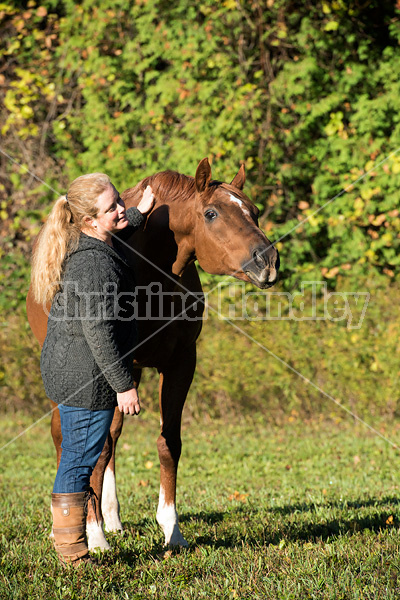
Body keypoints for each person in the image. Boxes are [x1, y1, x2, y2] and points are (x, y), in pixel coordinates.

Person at [30, 172, 154, 566]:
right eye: (113, 207)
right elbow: (98, 332)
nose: (120, 209)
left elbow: (116, 234)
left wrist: (138, 213)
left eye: (120, 201)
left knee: (78, 456)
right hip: (86, 377)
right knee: (80, 460)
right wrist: (124, 385)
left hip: (75, 369)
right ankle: (71, 553)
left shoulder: (92, 243)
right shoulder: (92, 267)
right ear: (88, 221)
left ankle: (71, 543)